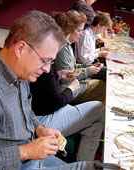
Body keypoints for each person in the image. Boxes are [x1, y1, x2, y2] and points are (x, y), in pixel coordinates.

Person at [0, 10, 95, 170]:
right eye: (45, 61)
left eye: (51, 62)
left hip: (31, 156)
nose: (47, 69)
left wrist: (40, 129)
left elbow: (27, 112)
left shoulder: (20, 72)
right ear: (20, 49)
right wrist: (26, 151)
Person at [30, 11, 104, 162]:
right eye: (79, 30)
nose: (82, 33)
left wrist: (59, 75)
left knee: (96, 117)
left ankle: (84, 159)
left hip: (43, 115)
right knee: (100, 106)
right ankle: (84, 160)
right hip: (48, 113)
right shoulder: (55, 53)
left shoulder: (53, 55)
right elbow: (54, 101)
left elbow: (43, 90)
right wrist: (73, 86)